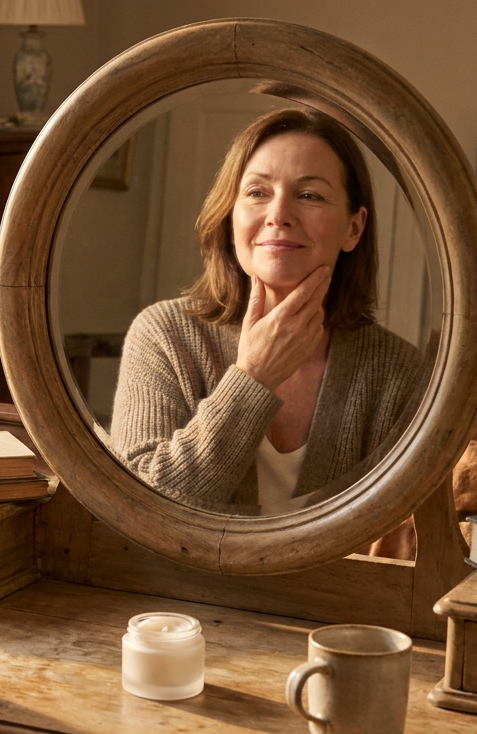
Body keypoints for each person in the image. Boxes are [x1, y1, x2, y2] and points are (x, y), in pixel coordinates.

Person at [110, 108, 422, 537]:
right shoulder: (163, 336)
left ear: (354, 227)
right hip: (177, 600)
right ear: (230, 215)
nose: (278, 214)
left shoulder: (397, 372)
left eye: (309, 195)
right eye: (257, 192)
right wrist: (253, 378)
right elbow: (140, 511)